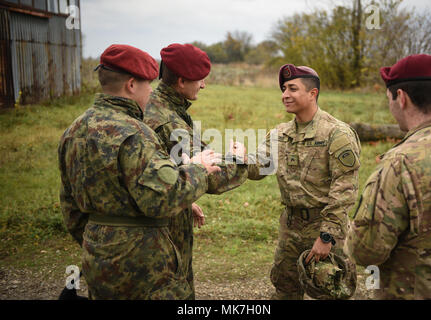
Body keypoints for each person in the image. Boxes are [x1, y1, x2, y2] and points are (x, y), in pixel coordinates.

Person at [58, 44, 222, 299]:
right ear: (131, 85)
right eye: (148, 84)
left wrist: (100, 240)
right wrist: (198, 169)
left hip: (96, 258)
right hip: (143, 265)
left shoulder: (73, 130)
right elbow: (166, 197)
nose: (151, 91)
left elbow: (70, 205)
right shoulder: (135, 133)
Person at [245, 64, 361, 300]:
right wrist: (238, 157)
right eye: (284, 89)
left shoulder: (337, 134)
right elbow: (258, 167)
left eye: (292, 89)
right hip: (291, 226)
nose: (285, 94)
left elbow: (345, 189)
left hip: (324, 226)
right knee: (285, 288)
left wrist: (326, 236)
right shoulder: (280, 133)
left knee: (330, 291)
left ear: (312, 94)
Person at [144, 43, 248, 298]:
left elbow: (163, 170)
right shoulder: (169, 121)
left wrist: (185, 201)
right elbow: (207, 171)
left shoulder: (157, 106)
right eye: (200, 79)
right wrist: (240, 161)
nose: (203, 85)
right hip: (163, 232)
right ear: (181, 81)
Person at [344, 54, 431, 300]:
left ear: (400, 98)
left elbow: (367, 251)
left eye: (388, 98)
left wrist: (347, 233)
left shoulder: (399, 163)